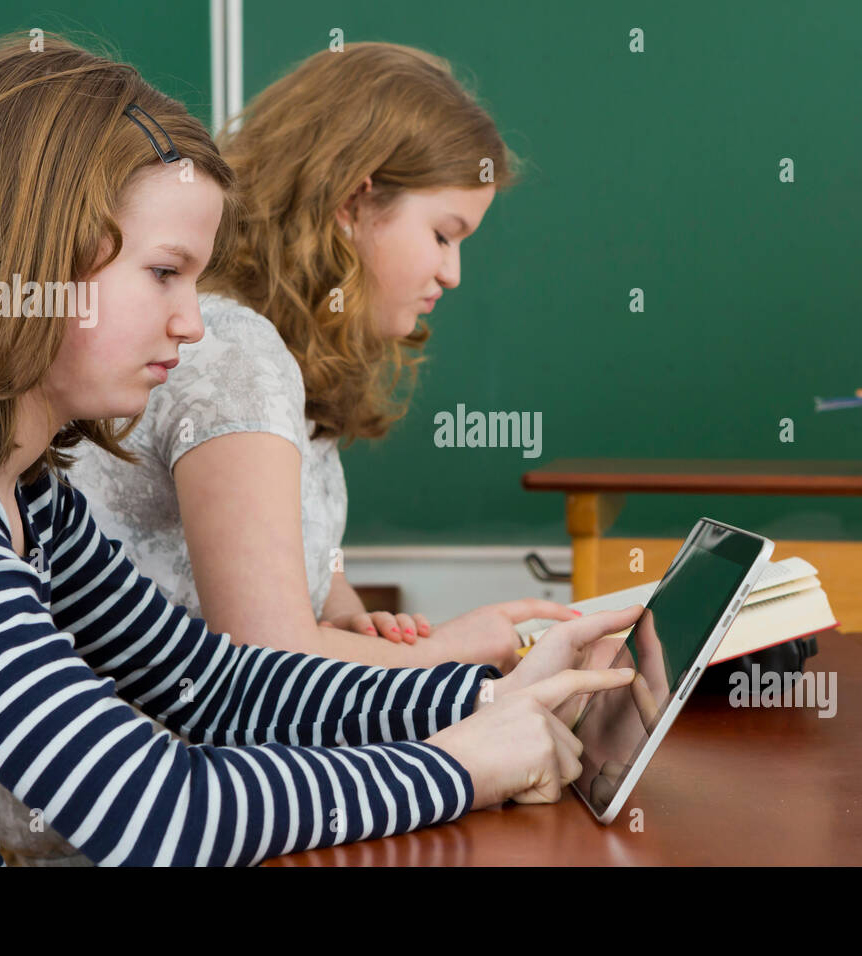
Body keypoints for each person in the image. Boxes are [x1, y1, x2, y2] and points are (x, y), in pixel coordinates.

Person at [0, 33, 639, 866]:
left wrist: (490, 695)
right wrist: (456, 766)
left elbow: (218, 685)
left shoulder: (22, 493)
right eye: (163, 273)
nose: (191, 323)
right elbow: (152, 811)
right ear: (35, 259)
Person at [69, 42, 561, 675]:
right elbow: (266, 659)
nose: (453, 273)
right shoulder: (234, 353)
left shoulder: (274, 353)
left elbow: (296, 572)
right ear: (354, 205)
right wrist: (453, 650)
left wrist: (347, 613)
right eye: (443, 234)